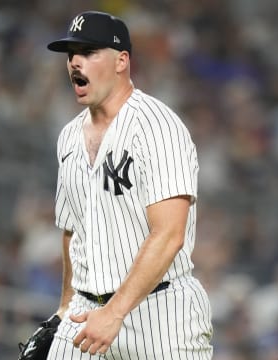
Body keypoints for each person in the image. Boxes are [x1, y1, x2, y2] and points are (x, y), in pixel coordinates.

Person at [45, 10, 214, 359]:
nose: (76, 62)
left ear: (122, 60)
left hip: (161, 316)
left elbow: (169, 233)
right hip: (85, 314)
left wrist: (115, 312)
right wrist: (64, 310)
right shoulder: (68, 138)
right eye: (71, 54)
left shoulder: (157, 127)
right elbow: (72, 231)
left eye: (89, 52)